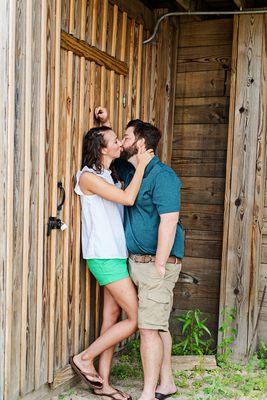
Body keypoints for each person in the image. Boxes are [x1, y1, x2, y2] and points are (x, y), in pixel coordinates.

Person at [96, 108, 184, 400]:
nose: (122, 141)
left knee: (147, 328)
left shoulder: (164, 176)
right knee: (157, 324)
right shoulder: (131, 170)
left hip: (156, 264)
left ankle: (148, 392)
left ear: (141, 144)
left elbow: (169, 222)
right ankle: (166, 382)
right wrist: (103, 123)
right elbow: (110, 151)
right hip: (137, 263)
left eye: (127, 136)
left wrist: (159, 263)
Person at [71, 123, 153, 400]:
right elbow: (128, 199)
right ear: (102, 148)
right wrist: (141, 166)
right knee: (137, 317)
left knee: (112, 317)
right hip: (103, 256)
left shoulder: (107, 173)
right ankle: (85, 358)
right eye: (115, 140)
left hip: (115, 255)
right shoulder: (88, 178)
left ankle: (103, 384)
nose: (120, 143)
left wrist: (101, 114)